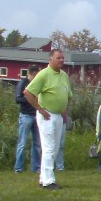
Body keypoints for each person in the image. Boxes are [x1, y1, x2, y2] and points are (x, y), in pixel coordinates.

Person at [24, 49, 72, 190]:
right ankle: (48, 180)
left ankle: (43, 177)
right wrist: (40, 109)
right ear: (51, 59)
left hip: (58, 116)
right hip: (47, 115)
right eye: (59, 58)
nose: (62, 60)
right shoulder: (44, 74)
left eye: (63, 58)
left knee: (55, 148)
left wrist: (65, 110)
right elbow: (28, 92)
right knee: (49, 147)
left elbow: (68, 95)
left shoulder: (64, 75)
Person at [13, 65, 42, 173]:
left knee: (37, 143)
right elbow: (18, 99)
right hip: (26, 115)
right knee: (22, 143)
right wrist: (31, 99)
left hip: (37, 115)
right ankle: (19, 168)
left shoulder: (38, 84)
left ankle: (36, 167)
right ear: (34, 73)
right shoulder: (23, 83)